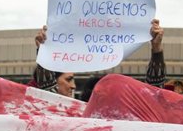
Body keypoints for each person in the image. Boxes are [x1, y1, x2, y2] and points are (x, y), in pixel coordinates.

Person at [32, 19, 165, 97]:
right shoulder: (73, 116)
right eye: (69, 79)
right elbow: (49, 93)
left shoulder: (130, 119)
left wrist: (156, 48)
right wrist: (44, 51)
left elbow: (154, 94)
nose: (73, 86)